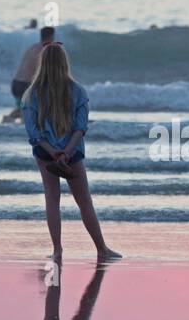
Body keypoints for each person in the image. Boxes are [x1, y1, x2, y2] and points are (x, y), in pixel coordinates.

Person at [22, 43, 120, 262]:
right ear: (65, 63)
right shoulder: (78, 91)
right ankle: (101, 249)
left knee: (52, 200)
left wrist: (53, 152)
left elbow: (34, 132)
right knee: (84, 202)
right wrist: (66, 152)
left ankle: (58, 250)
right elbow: (80, 127)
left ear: (42, 64)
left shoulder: (31, 94)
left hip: (45, 152)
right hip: (72, 152)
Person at [3, 24, 53, 123]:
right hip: (25, 85)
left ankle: (7, 120)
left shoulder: (33, 47)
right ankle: (23, 127)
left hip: (16, 83)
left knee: (22, 108)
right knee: (27, 111)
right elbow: (40, 72)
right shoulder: (44, 50)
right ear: (51, 37)